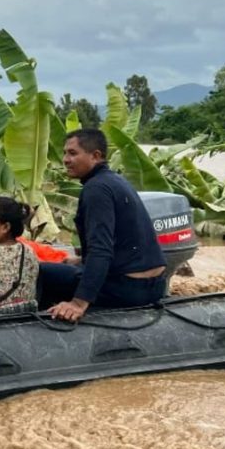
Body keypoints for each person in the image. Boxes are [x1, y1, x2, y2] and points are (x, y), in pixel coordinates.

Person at [39, 128, 166, 322]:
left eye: (72, 153)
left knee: (40, 271)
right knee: (64, 267)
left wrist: (79, 303)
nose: (65, 159)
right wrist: (81, 259)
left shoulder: (96, 189)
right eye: (65, 153)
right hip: (155, 285)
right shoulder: (114, 180)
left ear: (95, 156)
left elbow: (101, 249)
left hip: (128, 289)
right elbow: (120, 240)